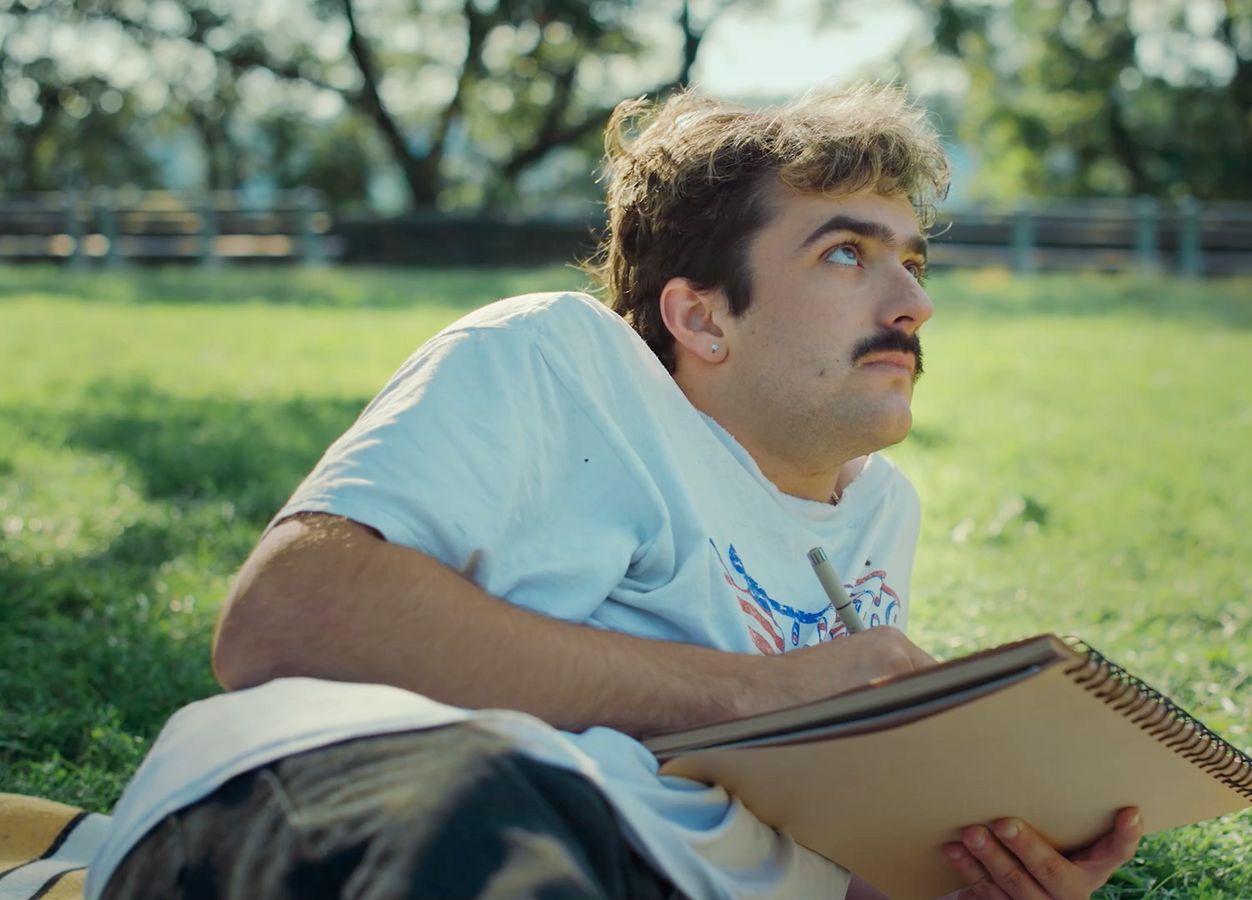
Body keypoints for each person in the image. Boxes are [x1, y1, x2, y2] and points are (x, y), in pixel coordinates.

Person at [85, 85, 1142, 899]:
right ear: (701, 319)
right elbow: (287, 617)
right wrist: (776, 687)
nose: (911, 301)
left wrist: (964, 870)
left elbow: (796, 839)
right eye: (845, 254)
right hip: (426, 799)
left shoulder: (878, 512)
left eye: (911, 262)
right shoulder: (560, 358)